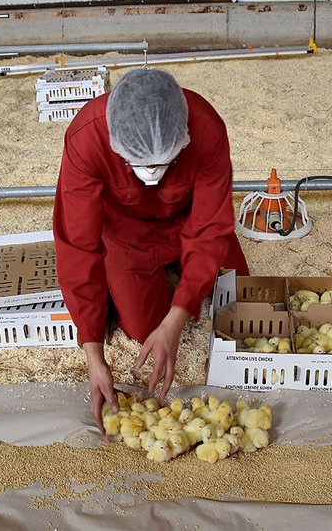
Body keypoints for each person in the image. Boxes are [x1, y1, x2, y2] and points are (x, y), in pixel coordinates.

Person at [53, 68, 249, 434]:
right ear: (115, 143)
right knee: (143, 330)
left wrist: (176, 319)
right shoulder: (87, 137)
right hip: (127, 234)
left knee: (241, 298)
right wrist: (93, 352)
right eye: (137, 163)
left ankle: (177, 279)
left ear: (184, 138)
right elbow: (77, 244)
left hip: (190, 219)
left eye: (166, 162)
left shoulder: (207, 128)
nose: (152, 173)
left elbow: (209, 227)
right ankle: (131, 289)